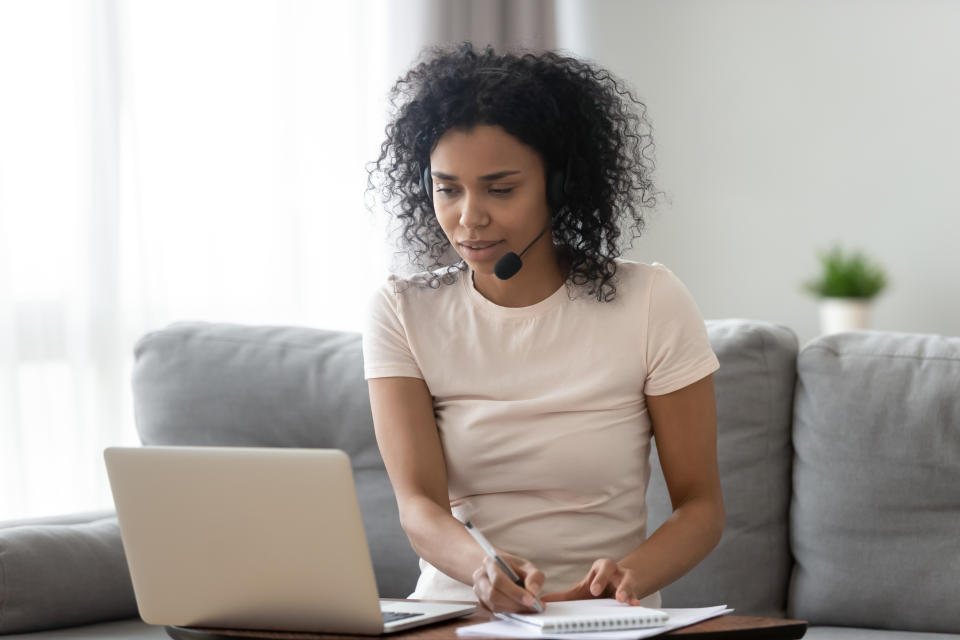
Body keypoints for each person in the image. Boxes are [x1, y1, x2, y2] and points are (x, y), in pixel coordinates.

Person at [362, 42, 724, 615]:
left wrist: (627, 577)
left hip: (604, 619)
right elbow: (419, 506)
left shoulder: (651, 301)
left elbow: (701, 508)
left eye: (500, 189)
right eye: (447, 188)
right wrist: (482, 569)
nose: (469, 217)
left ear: (559, 187)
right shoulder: (403, 311)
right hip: (459, 613)